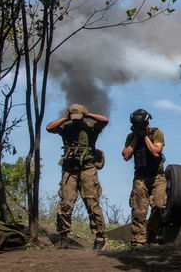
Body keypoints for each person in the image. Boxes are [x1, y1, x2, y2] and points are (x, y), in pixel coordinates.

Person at [46, 103, 108, 251]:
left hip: (88, 168)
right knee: (66, 203)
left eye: (78, 117)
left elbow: (105, 120)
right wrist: (65, 118)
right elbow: (49, 128)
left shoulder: (91, 126)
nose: (76, 120)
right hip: (70, 170)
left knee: (92, 203)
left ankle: (99, 238)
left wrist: (88, 114)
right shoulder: (65, 127)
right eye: (73, 117)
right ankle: (63, 237)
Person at [122, 109, 166, 249]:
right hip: (140, 177)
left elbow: (155, 151)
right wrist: (136, 137)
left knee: (159, 206)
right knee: (139, 211)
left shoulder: (157, 133)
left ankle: (151, 233)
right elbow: (126, 155)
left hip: (157, 176)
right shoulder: (131, 136)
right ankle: (138, 242)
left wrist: (146, 136)